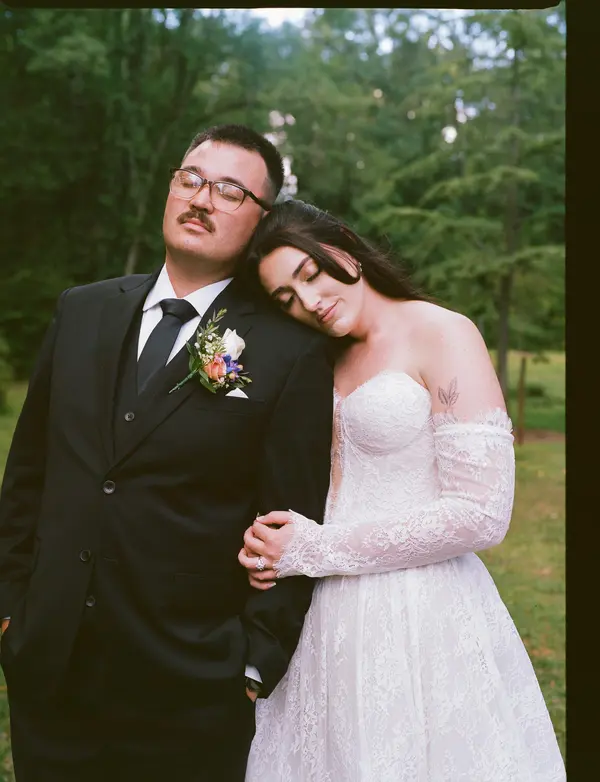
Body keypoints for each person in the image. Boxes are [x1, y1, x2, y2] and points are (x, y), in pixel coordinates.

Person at [0, 128, 334, 781]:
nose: (202, 199)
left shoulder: (289, 350)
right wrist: (11, 609)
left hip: (191, 687)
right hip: (50, 666)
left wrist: (252, 663)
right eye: (191, 179)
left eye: (230, 191)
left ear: (263, 220)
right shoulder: (81, 310)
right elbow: (28, 473)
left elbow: (290, 518)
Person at [238, 200, 566, 782]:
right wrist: (270, 546)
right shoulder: (317, 357)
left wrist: (313, 548)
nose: (308, 302)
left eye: (310, 274)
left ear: (343, 244)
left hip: (421, 613)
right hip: (322, 621)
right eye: (286, 298)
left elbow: (482, 512)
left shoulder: (441, 333)